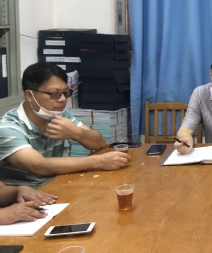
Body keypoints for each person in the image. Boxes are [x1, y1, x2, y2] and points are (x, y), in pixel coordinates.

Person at [0, 63, 130, 188]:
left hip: (58, 185)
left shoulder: (59, 114)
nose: (62, 99)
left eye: (66, 93)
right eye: (54, 94)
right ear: (29, 95)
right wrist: (99, 161)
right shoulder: (8, 127)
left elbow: (99, 143)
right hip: (25, 196)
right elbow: (39, 167)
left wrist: (76, 133)